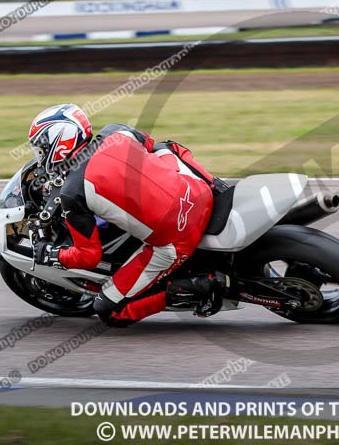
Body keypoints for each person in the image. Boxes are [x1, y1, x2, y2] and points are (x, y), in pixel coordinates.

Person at [28, 103, 224, 327]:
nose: (41, 155)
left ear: (59, 143)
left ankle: (201, 286)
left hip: (176, 240)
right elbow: (148, 144)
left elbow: (88, 256)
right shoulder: (116, 131)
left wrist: (52, 254)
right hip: (198, 190)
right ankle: (218, 186)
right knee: (165, 147)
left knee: (109, 311)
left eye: (42, 148)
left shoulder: (72, 194)